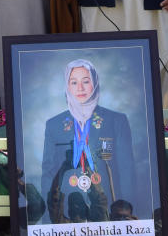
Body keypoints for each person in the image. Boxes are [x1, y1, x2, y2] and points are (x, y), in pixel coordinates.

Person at [41, 60, 136, 224]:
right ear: (67, 86)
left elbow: (126, 169)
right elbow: (48, 172)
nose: (80, 88)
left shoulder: (116, 120)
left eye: (86, 81)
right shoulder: (54, 125)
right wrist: (48, 215)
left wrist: (125, 209)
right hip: (66, 208)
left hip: (108, 206)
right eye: (74, 82)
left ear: (95, 83)